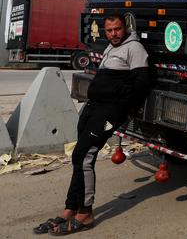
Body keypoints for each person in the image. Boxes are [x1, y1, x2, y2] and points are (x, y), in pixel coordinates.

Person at [33, 13, 150, 235]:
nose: (113, 34)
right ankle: (70, 208)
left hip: (109, 111)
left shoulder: (134, 48)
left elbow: (142, 85)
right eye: (109, 30)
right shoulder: (111, 47)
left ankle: (85, 213)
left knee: (85, 157)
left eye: (117, 29)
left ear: (124, 28)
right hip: (94, 107)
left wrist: (119, 106)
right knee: (79, 155)